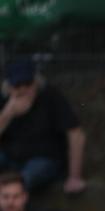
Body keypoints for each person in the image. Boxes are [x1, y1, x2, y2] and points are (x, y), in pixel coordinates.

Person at [0, 57, 86, 193]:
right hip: (11, 157)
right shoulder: (4, 100)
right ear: (9, 87)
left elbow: (76, 134)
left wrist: (74, 177)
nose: (23, 90)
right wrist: (7, 114)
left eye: (28, 84)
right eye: (17, 86)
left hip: (44, 159)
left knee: (27, 178)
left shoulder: (50, 97)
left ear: (36, 82)